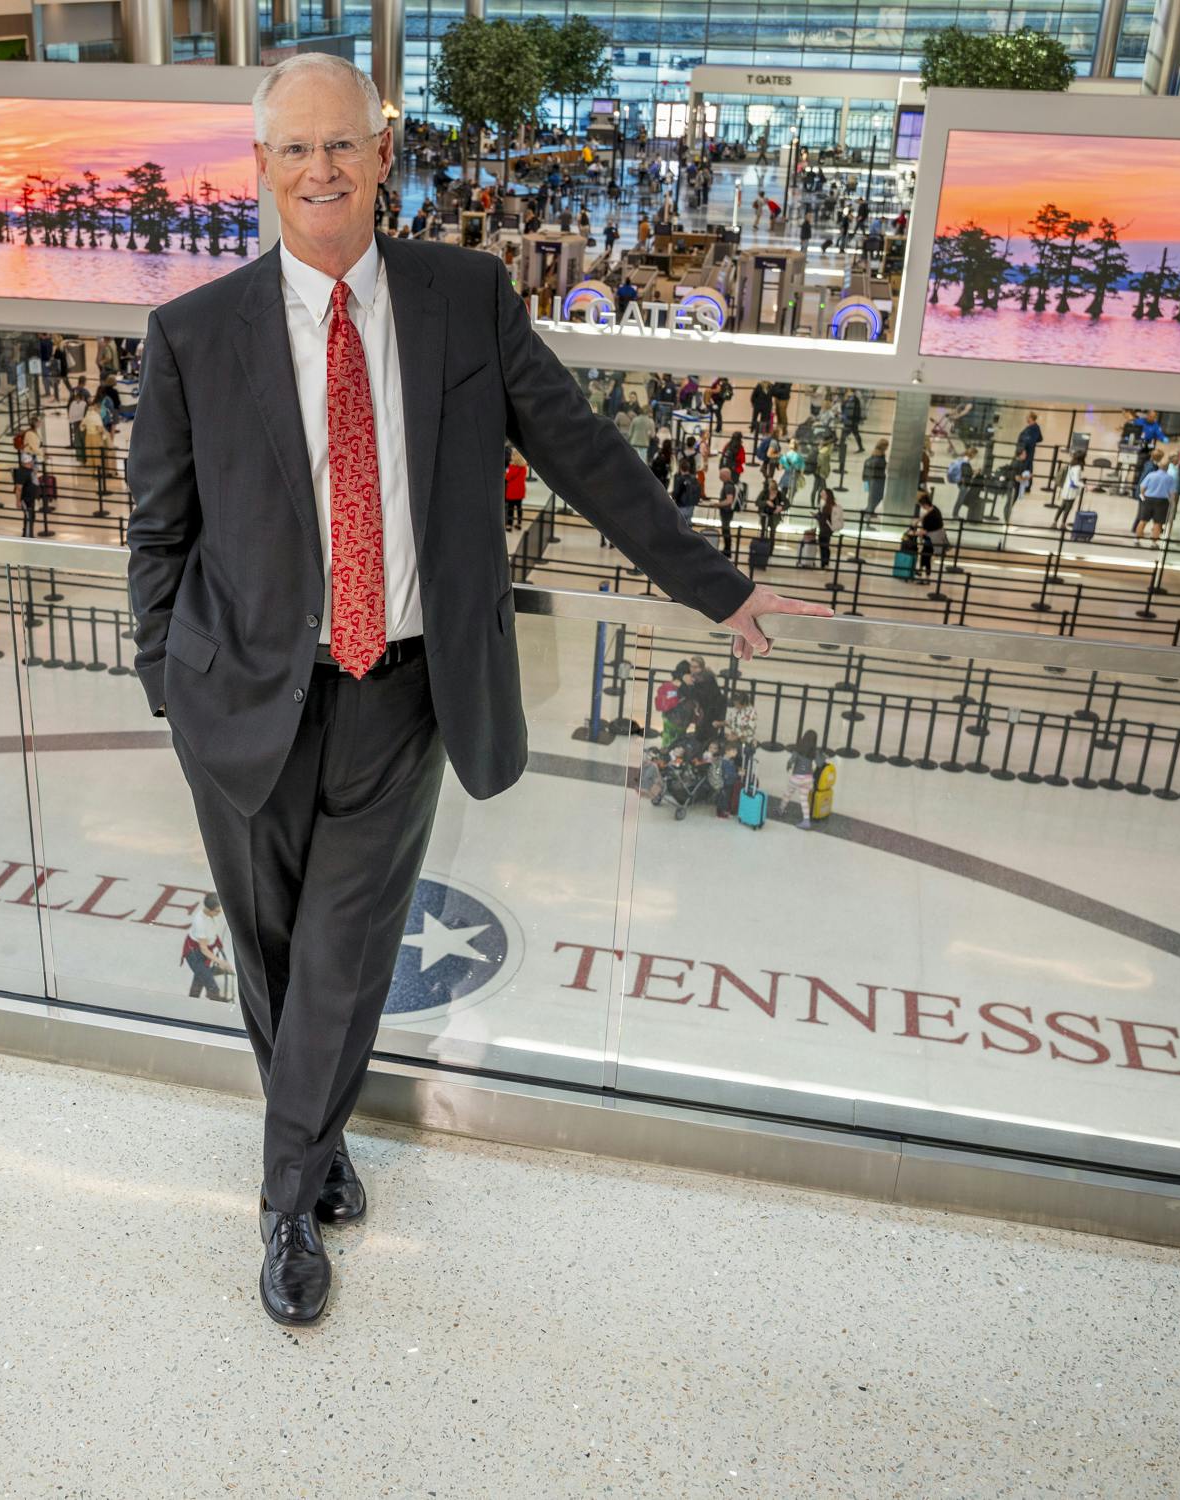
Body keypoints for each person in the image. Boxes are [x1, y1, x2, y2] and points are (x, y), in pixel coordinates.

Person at [123, 53, 827, 1329]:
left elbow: (582, 449)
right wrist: (169, 681)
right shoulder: (193, 333)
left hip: (401, 692)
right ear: (265, 168)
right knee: (272, 952)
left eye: (344, 145)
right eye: (296, 151)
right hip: (240, 701)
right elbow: (156, 532)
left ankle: (283, 1199)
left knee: (344, 950)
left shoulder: (464, 298)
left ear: (383, 155)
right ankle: (320, 1141)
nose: (322, 170)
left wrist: (717, 587)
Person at [184, 891, 234, 1002]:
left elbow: (212, 935)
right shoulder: (200, 922)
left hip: (203, 953)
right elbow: (204, 949)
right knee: (212, 987)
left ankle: (191, 1002)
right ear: (209, 909)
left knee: (199, 979)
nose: (219, 912)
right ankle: (219, 1006)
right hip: (195, 955)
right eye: (217, 910)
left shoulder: (212, 916)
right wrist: (221, 962)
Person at [785, 729, 827, 830]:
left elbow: (791, 760)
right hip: (807, 779)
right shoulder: (814, 752)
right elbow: (819, 764)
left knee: (788, 793)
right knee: (804, 800)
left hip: (796, 778)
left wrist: (789, 765)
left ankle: (780, 809)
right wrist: (823, 757)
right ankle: (806, 821)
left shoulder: (798, 749)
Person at [1135, 452, 1177, 548]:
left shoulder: (1151, 475)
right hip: (1162, 501)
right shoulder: (1170, 478)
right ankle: (1154, 543)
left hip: (1148, 499)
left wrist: (1143, 496)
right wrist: (1172, 502)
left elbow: (1142, 487)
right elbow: (1172, 493)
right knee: (1158, 523)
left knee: (1143, 520)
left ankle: (1137, 539)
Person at [916, 490, 946, 578]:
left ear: (924, 504)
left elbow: (925, 530)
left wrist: (916, 533)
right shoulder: (935, 509)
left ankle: (925, 575)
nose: (922, 507)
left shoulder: (930, 516)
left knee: (925, 556)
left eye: (921, 505)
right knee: (925, 556)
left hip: (932, 539)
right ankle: (922, 572)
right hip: (937, 538)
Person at [815, 485, 841, 569]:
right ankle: (825, 563)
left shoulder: (828, 506)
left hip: (826, 529)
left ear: (827, 495)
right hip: (827, 529)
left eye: (823, 494)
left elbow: (825, 517)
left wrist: (818, 516)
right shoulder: (829, 504)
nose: (821, 495)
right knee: (825, 546)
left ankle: (824, 564)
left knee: (824, 546)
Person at [861, 439, 888, 517]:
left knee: (871, 496)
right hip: (876, 480)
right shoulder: (879, 457)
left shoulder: (874, 454)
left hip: (868, 479)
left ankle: (869, 510)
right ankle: (869, 512)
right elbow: (878, 468)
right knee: (877, 496)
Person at [503, 448, 527, 530]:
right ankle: (519, 523)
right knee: (519, 507)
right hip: (520, 490)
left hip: (512, 491)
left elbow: (507, 478)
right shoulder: (524, 467)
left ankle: (509, 525)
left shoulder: (512, 466)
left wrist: (505, 474)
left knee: (511, 508)